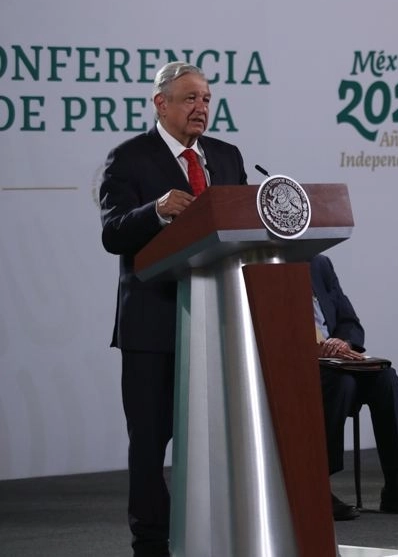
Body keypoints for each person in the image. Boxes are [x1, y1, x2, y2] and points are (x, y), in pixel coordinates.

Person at [99, 62, 247, 557]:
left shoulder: (226, 157)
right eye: (190, 99)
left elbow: (239, 227)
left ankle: (219, 531)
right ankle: (151, 542)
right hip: (154, 324)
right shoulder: (129, 158)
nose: (201, 108)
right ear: (160, 104)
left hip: (218, 321)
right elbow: (113, 233)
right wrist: (157, 209)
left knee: (218, 439)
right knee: (150, 442)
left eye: (206, 99)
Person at [310, 254, 398, 520]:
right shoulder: (265, 263)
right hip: (298, 363)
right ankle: (317, 487)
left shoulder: (319, 264)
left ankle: (394, 485)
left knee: (386, 379)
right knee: (341, 383)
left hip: (335, 358)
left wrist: (343, 343)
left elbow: (349, 321)